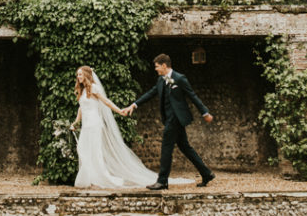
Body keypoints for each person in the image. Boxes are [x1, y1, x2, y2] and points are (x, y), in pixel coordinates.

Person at [69, 65, 191, 189]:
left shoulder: (93, 88)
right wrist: (75, 123)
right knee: (83, 149)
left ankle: (98, 178)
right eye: (77, 74)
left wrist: (119, 111)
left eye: (80, 74)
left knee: (94, 151)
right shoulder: (83, 90)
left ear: (86, 75)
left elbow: (106, 102)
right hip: (86, 125)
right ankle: (90, 177)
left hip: (94, 124)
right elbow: (81, 108)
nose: (78, 77)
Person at [121, 54, 215, 190]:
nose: (156, 69)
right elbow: (151, 93)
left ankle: (162, 181)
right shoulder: (161, 80)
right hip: (169, 118)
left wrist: (205, 112)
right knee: (185, 147)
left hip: (176, 118)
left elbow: (192, 95)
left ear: (164, 65)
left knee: (166, 147)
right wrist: (133, 105)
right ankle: (206, 173)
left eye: (157, 67)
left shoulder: (180, 78)